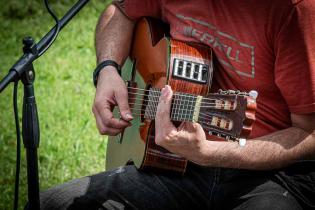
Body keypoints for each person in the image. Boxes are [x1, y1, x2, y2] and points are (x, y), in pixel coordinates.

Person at [40, 0, 315, 209]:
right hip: (177, 163)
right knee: (51, 204)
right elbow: (120, 11)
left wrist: (210, 152)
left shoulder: (293, 10)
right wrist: (108, 70)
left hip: (275, 177)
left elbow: (309, 133)